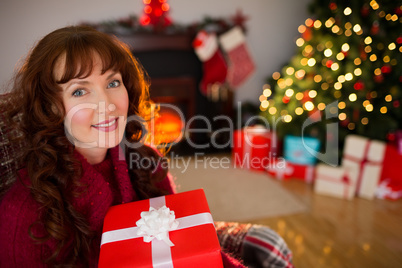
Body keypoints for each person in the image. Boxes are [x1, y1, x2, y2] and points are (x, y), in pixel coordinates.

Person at [0, 26, 246, 267]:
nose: (106, 104)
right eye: (79, 92)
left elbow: (183, 250)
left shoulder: (145, 161)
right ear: (51, 108)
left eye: (112, 83)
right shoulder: (25, 214)